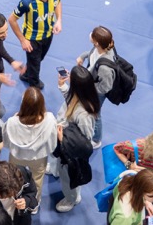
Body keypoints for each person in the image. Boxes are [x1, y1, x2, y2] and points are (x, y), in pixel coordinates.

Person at [53, 65, 100, 212]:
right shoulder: (78, 96)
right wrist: (62, 86)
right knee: (59, 166)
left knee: (68, 178)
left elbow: (83, 141)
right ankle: (55, 169)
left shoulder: (85, 114)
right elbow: (70, 100)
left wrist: (63, 139)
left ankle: (72, 198)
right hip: (63, 140)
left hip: (71, 151)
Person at [8, 0, 63, 89]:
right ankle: (34, 87)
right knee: (35, 67)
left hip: (48, 34)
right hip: (32, 40)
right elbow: (12, 20)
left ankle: (26, 74)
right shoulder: (27, 2)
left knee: (38, 60)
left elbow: (58, 2)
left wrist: (59, 20)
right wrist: (23, 40)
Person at [4, 87, 57, 204]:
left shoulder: (12, 122)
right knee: (37, 180)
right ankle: (33, 202)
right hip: (39, 157)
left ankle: (16, 200)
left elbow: (6, 142)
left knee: (15, 178)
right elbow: (53, 143)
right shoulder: (50, 120)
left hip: (17, 156)